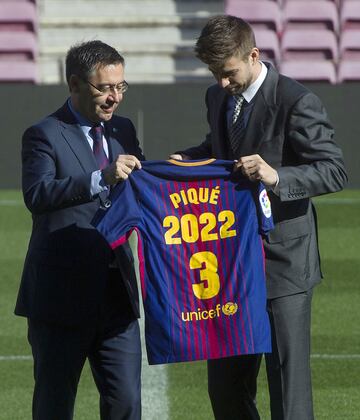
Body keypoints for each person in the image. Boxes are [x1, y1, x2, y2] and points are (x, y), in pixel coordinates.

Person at [171, 15, 347, 420]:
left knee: (288, 391)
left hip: (284, 265)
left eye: (228, 73)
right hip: (230, 263)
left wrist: (276, 176)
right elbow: (220, 147)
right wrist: (189, 160)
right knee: (226, 388)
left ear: (253, 55)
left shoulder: (297, 100)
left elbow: (334, 170)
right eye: (214, 74)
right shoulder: (217, 97)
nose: (221, 83)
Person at [15, 40, 145, 420]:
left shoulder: (124, 128)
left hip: (116, 294)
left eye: (121, 87)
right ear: (74, 84)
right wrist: (99, 178)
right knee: (55, 406)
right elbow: (37, 194)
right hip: (60, 296)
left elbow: (141, 184)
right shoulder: (43, 134)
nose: (114, 97)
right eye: (104, 88)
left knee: (126, 404)